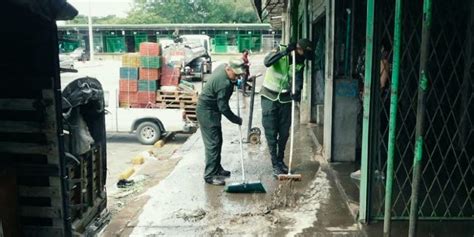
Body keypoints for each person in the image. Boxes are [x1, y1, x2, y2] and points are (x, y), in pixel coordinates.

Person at [261, 39, 313, 176]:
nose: (303, 58)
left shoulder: (300, 61)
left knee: (284, 133)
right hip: (269, 97)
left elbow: (298, 78)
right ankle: (274, 164)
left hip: (285, 99)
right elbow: (267, 62)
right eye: (303, 53)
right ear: (297, 48)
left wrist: (297, 91)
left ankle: (280, 161)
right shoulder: (281, 50)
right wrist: (285, 52)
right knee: (271, 133)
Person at [196, 59, 244, 185]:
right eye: (236, 74)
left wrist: (235, 82)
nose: (237, 76)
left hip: (211, 110)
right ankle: (210, 175)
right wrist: (236, 119)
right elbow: (223, 107)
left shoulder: (223, 66)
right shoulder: (224, 84)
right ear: (228, 69)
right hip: (207, 112)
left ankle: (217, 168)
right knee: (213, 143)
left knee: (218, 140)